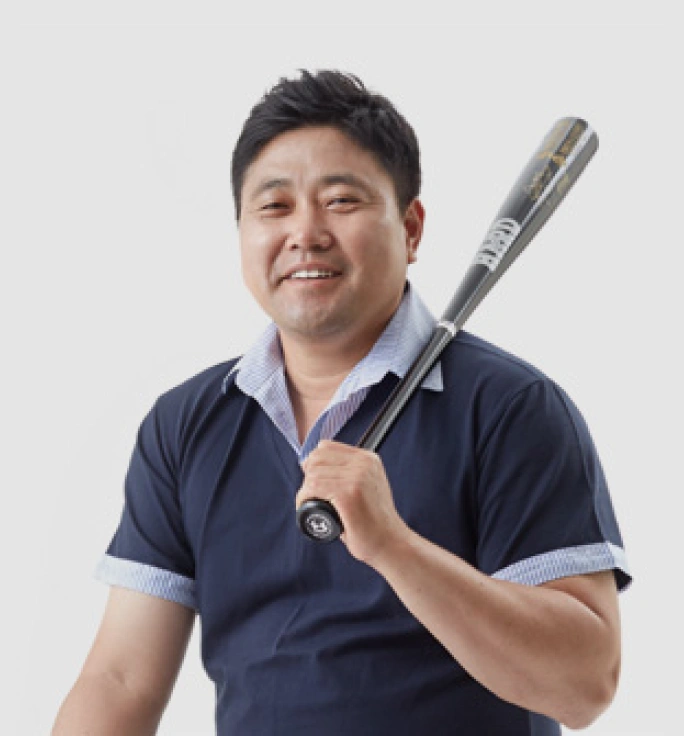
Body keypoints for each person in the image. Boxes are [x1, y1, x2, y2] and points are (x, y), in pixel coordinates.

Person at [52, 70, 631, 735]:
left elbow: (583, 685)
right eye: (274, 206)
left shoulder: (511, 409)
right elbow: (120, 680)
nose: (305, 232)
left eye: (341, 201)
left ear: (411, 229)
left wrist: (392, 546)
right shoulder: (184, 425)